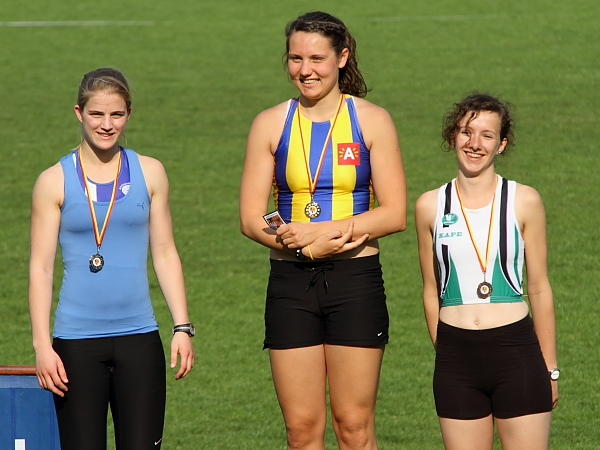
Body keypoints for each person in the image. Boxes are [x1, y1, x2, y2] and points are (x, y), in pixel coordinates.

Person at [240, 11, 406, 450]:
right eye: (296, 58)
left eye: (316, 58)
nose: (305, 70)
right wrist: (291, 240)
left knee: (353, 426)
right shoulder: (269, 123)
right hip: (291, 284)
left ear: (341, 57)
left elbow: (394, 213)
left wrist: (330, 231)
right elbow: (251, 216)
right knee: (301, 430)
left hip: (355, 282)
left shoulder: (371, 120)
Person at [28, 68, 195, 450]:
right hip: (75, 343)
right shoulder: (53, 181)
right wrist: (42, 345)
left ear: (129, 115)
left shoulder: (150, 172)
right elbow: (40, 267)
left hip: (140, 338)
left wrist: (182, 327)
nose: (107, 125)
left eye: (116, 114)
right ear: (79, 113)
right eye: (97, 114)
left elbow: (166, 252)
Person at [415, 93, 558, 450]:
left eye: (486, 135)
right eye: (466, 132)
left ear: (501, 144)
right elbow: (431, 290)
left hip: (517, 353)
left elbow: (539, 288)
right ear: (453, 137)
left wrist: (550, 369)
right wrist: (447, 350)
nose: (474, 143)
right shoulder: (429, 205)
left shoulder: (524, 200)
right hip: (456, 358)